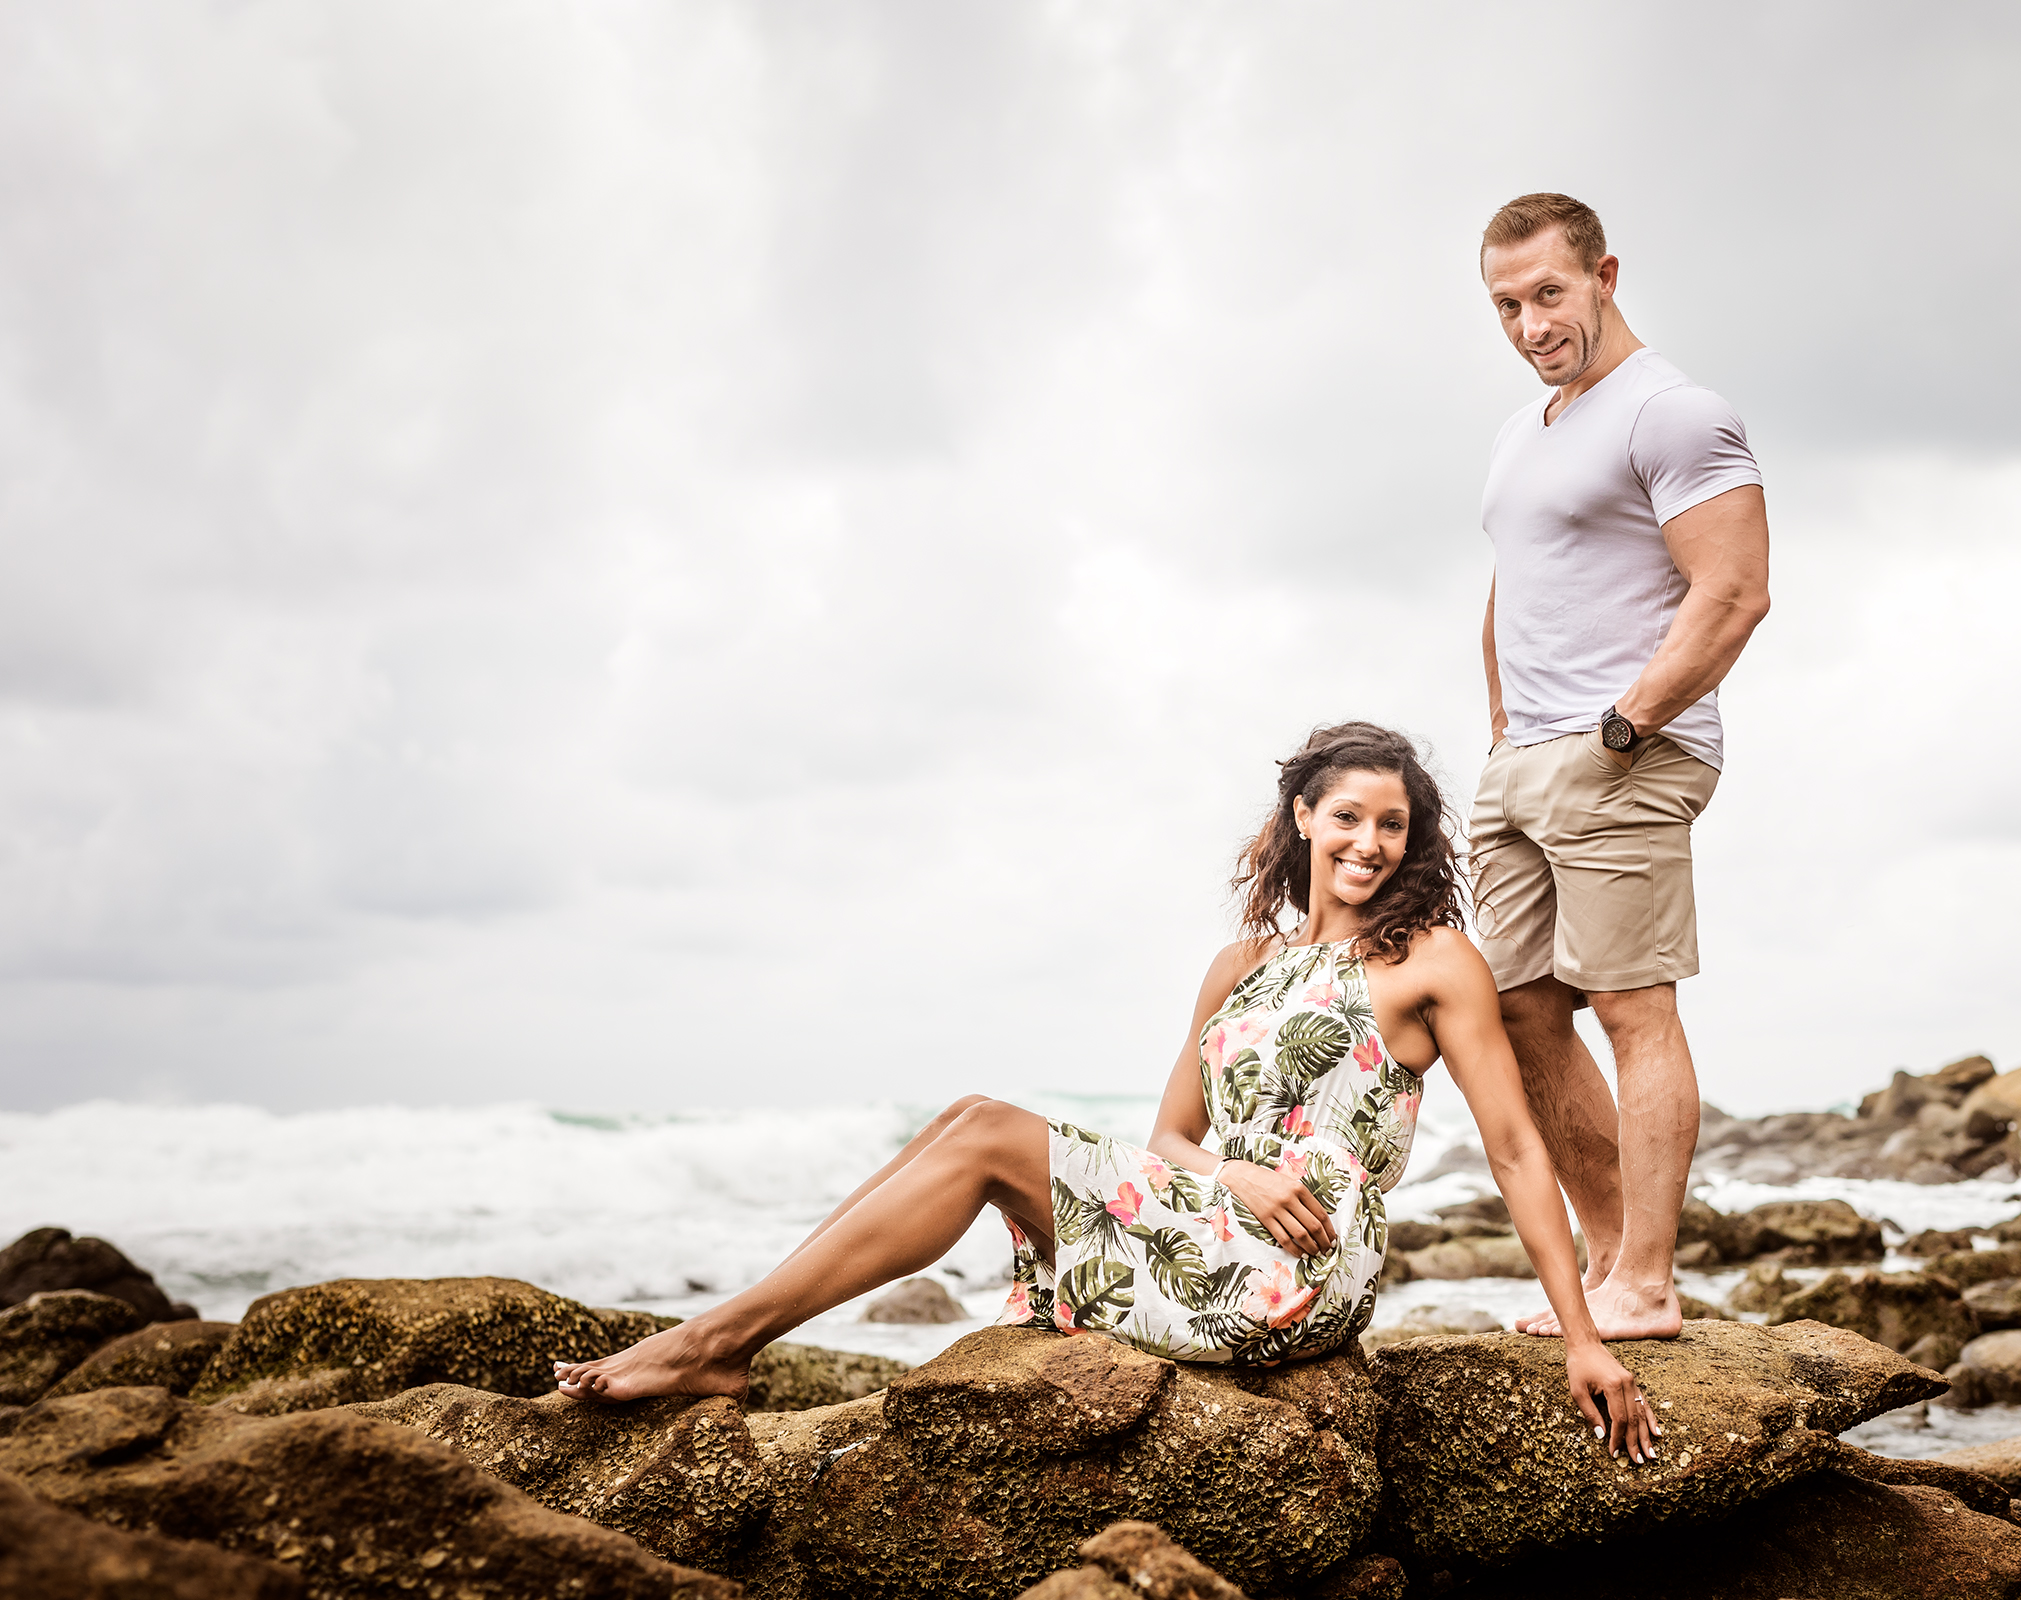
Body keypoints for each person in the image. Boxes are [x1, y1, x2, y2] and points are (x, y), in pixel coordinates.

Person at [554, 722, 1662, 1461]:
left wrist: (1580, 1336)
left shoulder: (1431, 961)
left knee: (986, 1128)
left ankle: (720, 1341)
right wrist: (1230, 1167)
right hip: (1213, 1214)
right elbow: (1172, 1139)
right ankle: (727, 1336)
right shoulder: (1240, 965)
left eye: (1393, 824)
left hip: (1302, 1259)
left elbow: (1517, 1149)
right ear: (1301, 825)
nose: (1370, 841)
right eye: (1348, 817)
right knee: (967, 1123)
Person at [1469, 193, 1772, 1342]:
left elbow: (1733, 591)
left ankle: (1647, 1277)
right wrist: (1504, 726)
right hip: (1525, 759)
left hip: (1622, 753)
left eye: (1549, 293)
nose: (1531, 323)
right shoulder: (1526, 428)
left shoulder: (1674, 413)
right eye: (1506, 305)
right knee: (1516, 1008)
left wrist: (1623, 728)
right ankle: (1608, 1263)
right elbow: (1518, 578)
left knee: (1630, 1008)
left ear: (1603, 272)